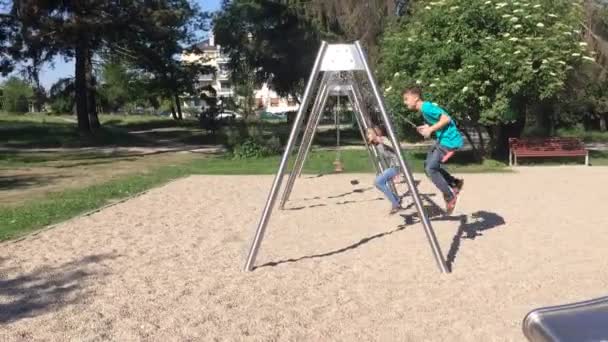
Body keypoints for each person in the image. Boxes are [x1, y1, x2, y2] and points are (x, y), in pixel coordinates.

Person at [402, 86, 464, 215]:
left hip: (449, 141)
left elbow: (446, 119)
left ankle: (450, 196)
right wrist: (427, 127)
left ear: (416, 97)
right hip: (442, 140)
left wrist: (430, 130)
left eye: (406, 99)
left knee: (430, 168)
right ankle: (454, 182)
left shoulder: (426, 107)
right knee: (427, 166)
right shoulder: (425, 109)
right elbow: (439, 121)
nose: (405, 102)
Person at [367, 126, 402, 215]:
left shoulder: (382, 139)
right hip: (394, 166)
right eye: (367, 134)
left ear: (375, 134)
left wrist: (382, 141)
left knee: (378, 182)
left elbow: (395, 147)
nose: (368, 135)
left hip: (398, 165)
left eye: (369, 133)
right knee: (378, 182)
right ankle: (396, 200)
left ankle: (395, 203)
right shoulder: (377, 144)